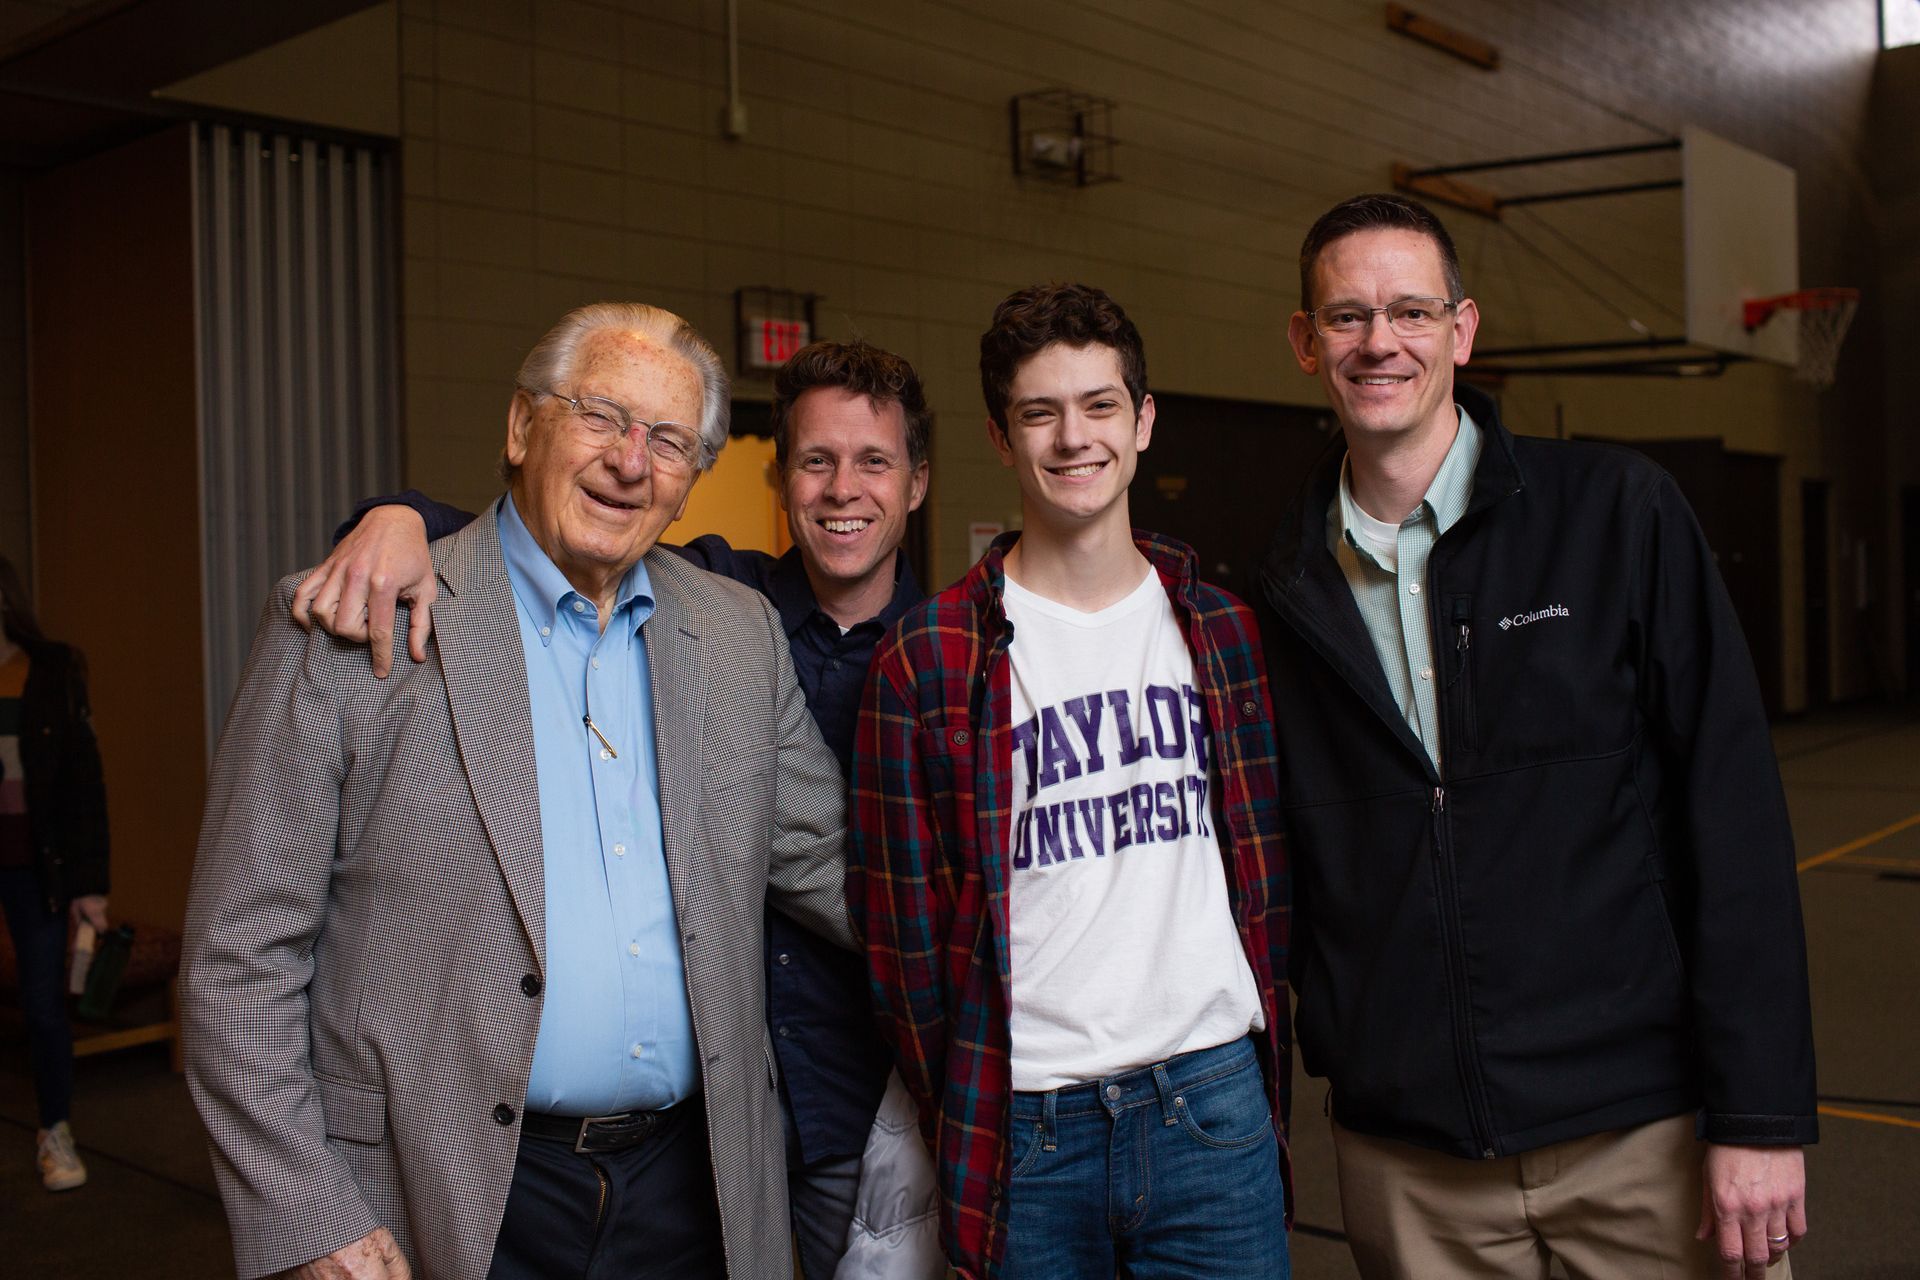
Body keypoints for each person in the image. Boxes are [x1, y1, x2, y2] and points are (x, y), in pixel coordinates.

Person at [181, 302, 853, 1280]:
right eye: (601, 416)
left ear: (690, 480)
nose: (632, 460)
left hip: (692, 1191)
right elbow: (235, 957)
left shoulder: (740, 637)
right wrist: (304, 1211)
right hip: (437, 1194)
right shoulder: (354, 623)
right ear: (519, 426)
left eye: (668, 439)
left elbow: (833, 867)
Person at [1256, 193, 1816, 1280]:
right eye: (1347, 316)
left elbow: (1735, 820)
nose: (1381, 342)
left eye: (1412, 311)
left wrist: (1760, 1108)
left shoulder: (1617, 513)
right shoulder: (1277, 583)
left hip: (1645, 1134)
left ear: (1463, 331)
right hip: (1411, 1162)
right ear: (1304, 340)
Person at [850, 283, 1293, 1280]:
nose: (1072, 437)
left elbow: (1270, 871)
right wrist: (971, 1093)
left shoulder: (1220, 631)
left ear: (1142, 422)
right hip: (1028, 1127)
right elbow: (901, 938)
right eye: (1040, 412)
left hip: (1211, 1105)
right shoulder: (928, 660)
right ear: (1003, 439)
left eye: (1098, 405)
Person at [0, 554, 110, 1193]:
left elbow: (83, 784)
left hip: (34, 868)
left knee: (44, 1006)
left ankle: (55, 1130)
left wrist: (91, 885)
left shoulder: (51, 670)